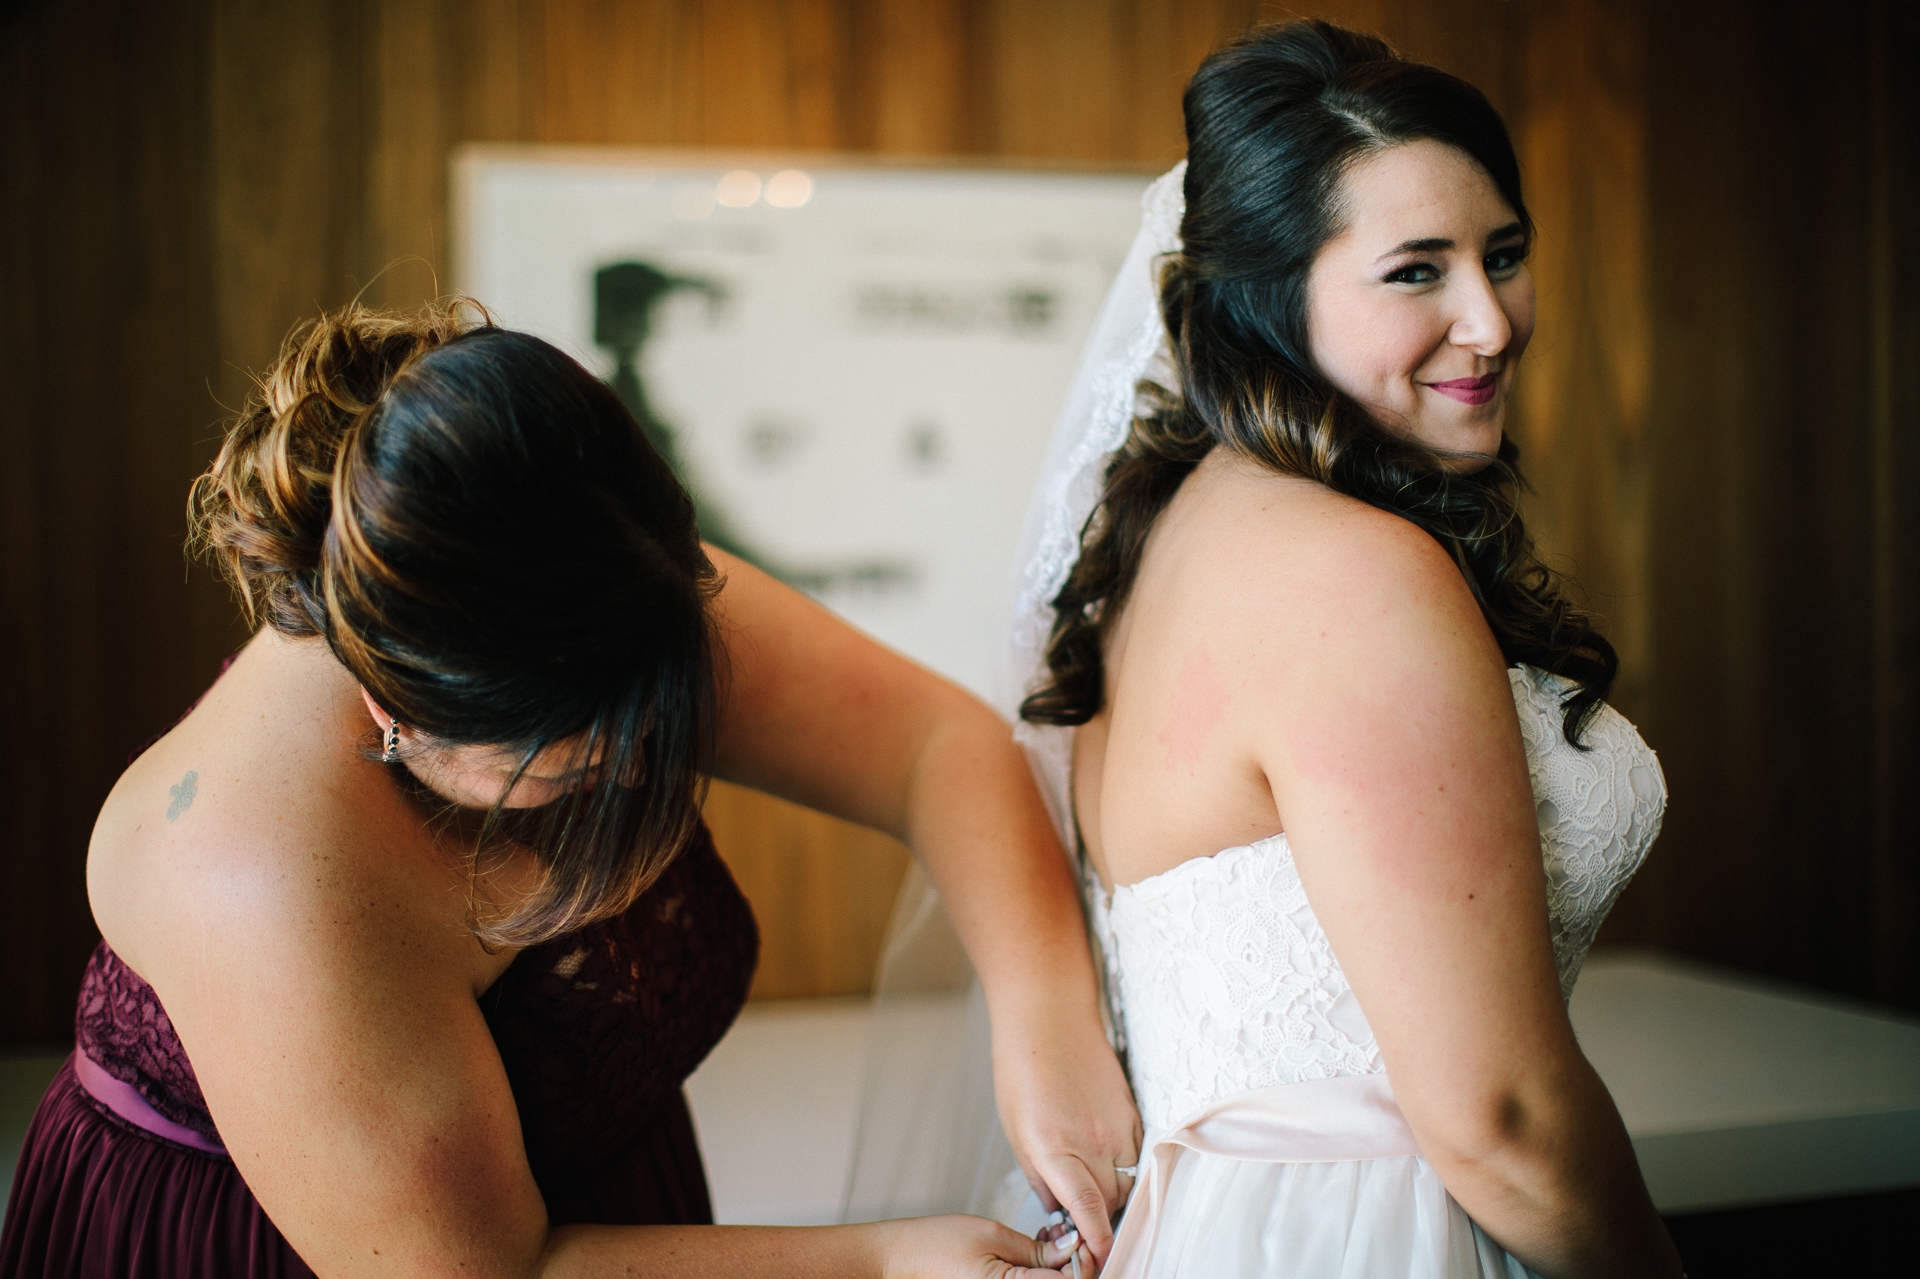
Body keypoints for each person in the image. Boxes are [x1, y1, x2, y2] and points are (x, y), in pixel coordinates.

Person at [0, 301, 1138, 1277]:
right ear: (405, 710)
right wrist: (880, 1257)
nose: (645, 768)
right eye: (588, 755)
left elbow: (932, 744)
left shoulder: (587, 579)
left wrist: (1043, 1018)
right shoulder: (258, 879)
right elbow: (494, 1270)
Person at [995, 20, 1685, 1278]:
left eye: (1506, 253)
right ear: (1268, 302)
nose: (1491, 320)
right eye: (1416, 271)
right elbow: (1502, 1123)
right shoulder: (1352, 573)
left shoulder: (1173, 531)